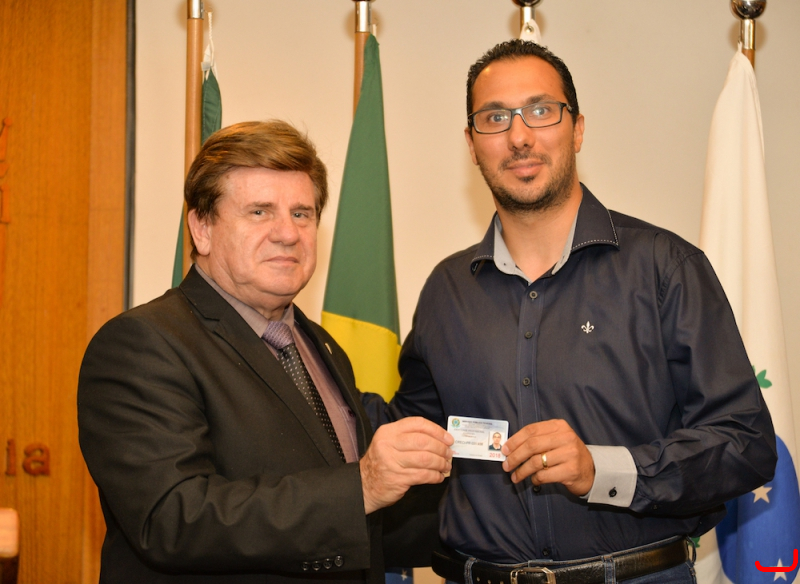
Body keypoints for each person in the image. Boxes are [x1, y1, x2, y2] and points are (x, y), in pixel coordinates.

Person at [363, 40, 777, 583]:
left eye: (540, 110)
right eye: (495, 118)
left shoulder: (664, 267)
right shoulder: (446, 289)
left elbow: (745, 442)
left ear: (577, 129)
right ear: (471, 144)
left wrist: (602, 470)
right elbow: (414, 433)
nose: (519, 136)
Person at [77, 120, 453, 583]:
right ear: (201, 228)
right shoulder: (143, 344)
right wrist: (362, 487)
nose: (288, 233)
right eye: (259, 212)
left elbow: (356, 527)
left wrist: (501, 514)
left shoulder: (322, 347)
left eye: (302, 214)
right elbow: (174, 518)